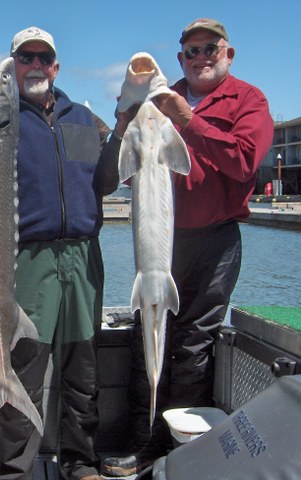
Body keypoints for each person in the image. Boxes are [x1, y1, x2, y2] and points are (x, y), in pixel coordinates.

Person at [102, 18, 274, 477]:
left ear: (228, 54)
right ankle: (143, 442)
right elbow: (122, 155)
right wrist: (128, 111)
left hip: (215, 241)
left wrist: (187, 120)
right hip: (161, 242)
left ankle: (181, 451)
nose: (199, 58)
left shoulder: (249, 100)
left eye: (209, 49)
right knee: (146, 338)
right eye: (191, 52)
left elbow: (242, 163)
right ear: (180, 59)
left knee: (194, 345)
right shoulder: (157, 98)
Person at [0, 27, 133, 480]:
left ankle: (79, 459)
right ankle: (11, 469)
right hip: (28, 259)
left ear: (56, 66)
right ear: (12, 66)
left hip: (84, 258)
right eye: (24, 58)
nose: (35, 65)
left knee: (82, 367)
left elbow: (104, 183)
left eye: (43, 57)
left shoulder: (83, 119)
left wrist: (123, 130)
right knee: (23, 365)